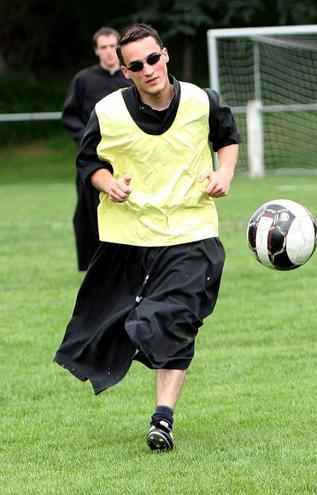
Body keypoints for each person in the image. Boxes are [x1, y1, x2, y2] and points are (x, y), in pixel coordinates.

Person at [53, 23, 240, 452]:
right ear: (125, 71)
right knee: (131, 326)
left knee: (175, 319)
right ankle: (145, 341)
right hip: (131, 237)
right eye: (136, 65)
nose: (148, 69)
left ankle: (163, 418)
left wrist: (224, 173)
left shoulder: (201, 100)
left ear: (166, 55)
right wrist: (108, 184)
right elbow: (88, 163)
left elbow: (227, 137)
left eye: (153, 59)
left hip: (192, 230)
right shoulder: (108, 111)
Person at [61, 27, 131, 271]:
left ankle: (129, 261)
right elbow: (69, 116)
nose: (109, 52)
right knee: (88, 214)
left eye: (113, 46)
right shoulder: (84, 79)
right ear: (96, 50)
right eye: (103, 47)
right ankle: (93, 265)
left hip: (126, 160)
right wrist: (87, 140)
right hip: (92, 160)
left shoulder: (131, 77)